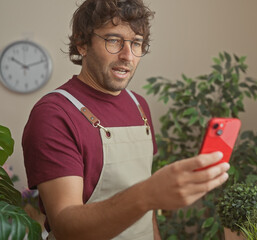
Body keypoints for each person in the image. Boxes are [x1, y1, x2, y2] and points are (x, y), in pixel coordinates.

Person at [22, 0, 230, 239]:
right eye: (113, 41)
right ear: (82, 44)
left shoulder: (139, 105)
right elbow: (66, 227)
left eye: (137, 43)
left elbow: (148, 214)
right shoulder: (54, 113)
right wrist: (147, 194)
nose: (127, 56)